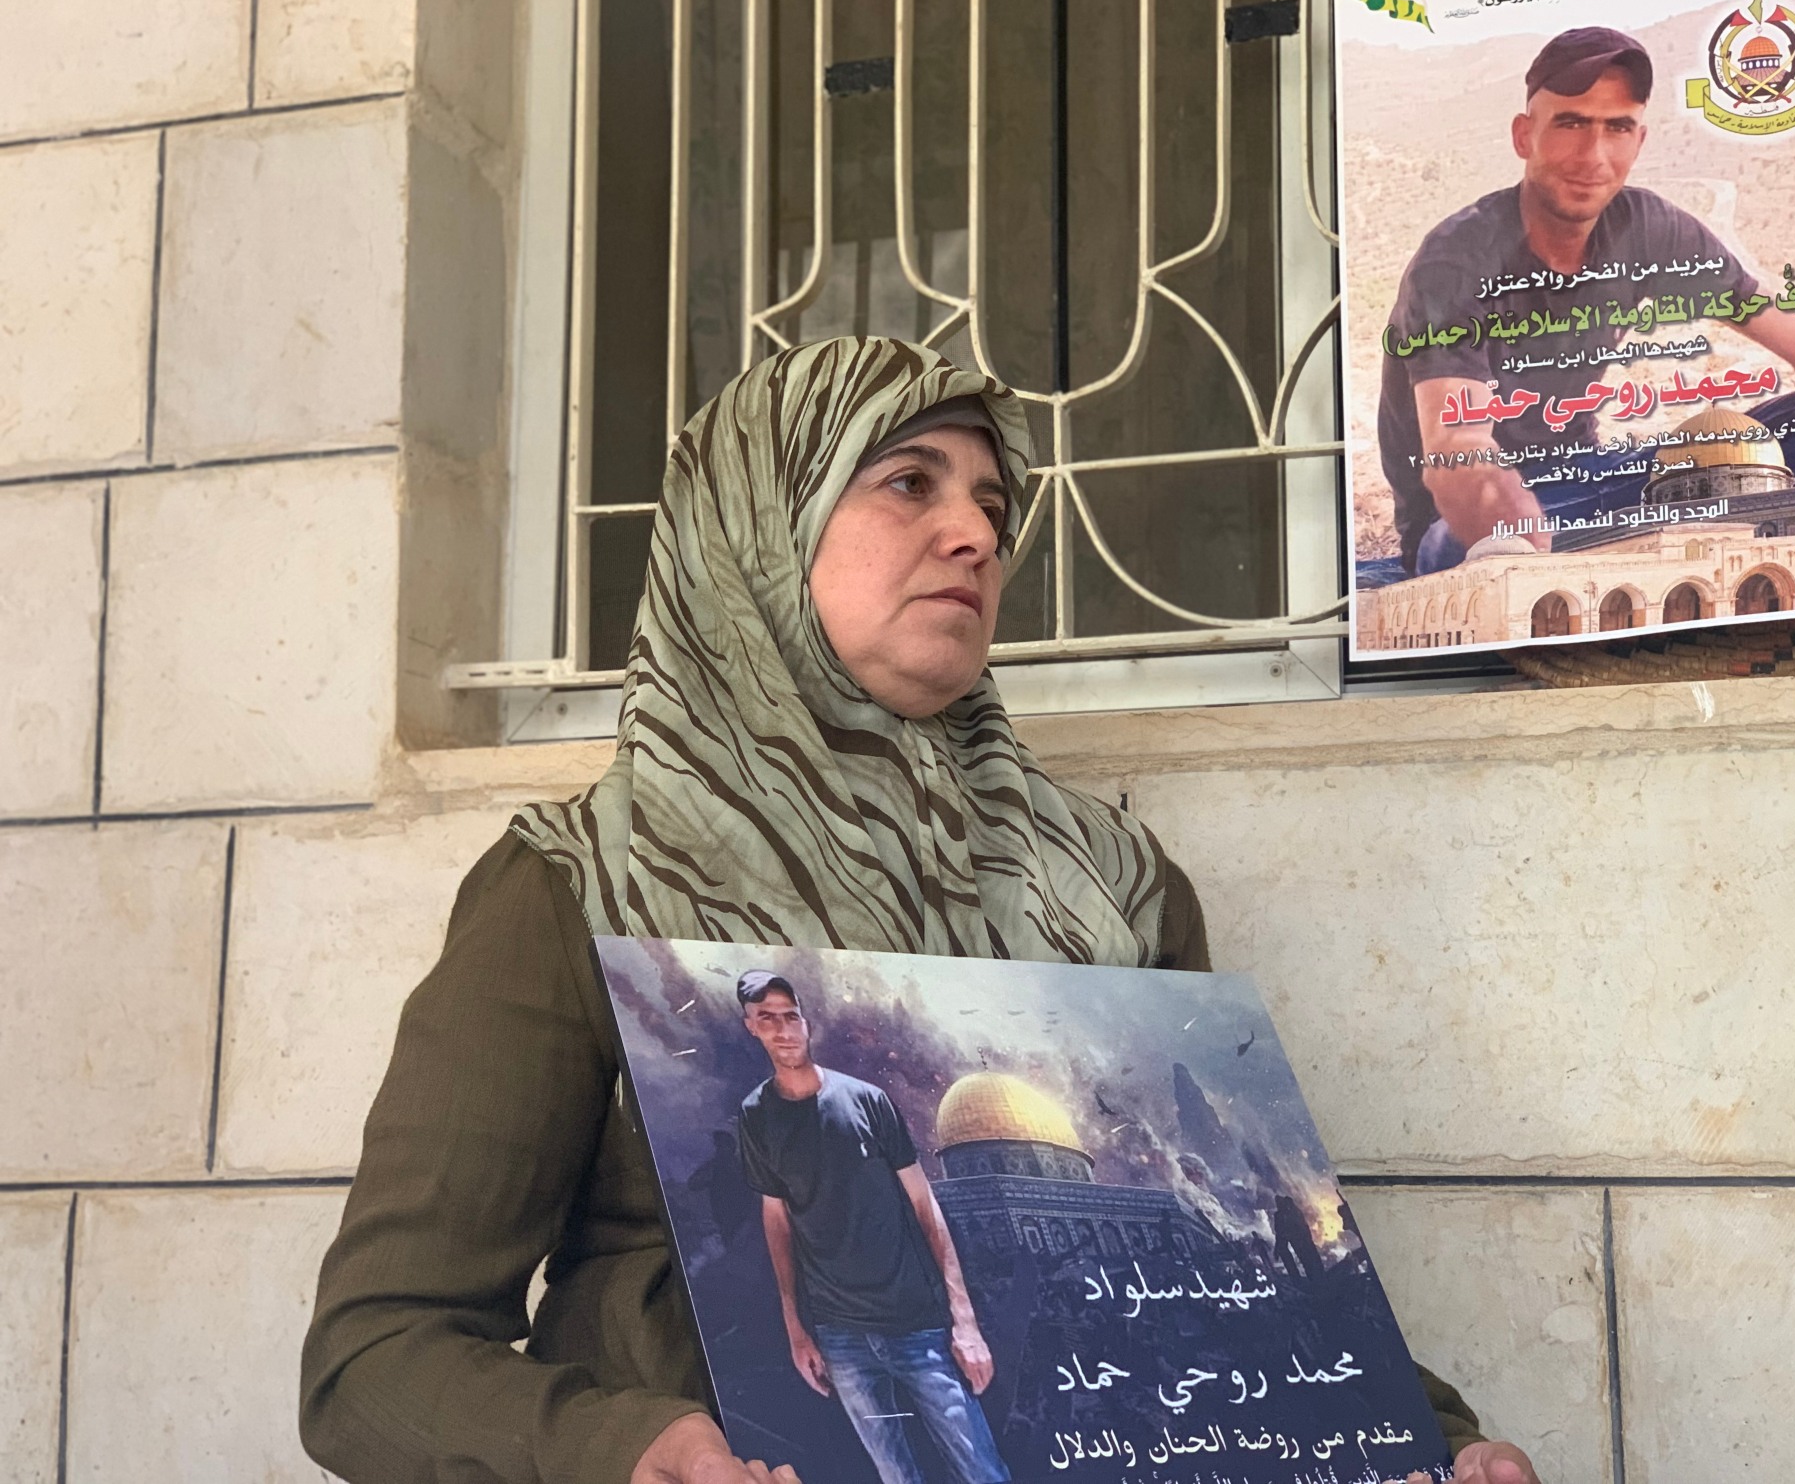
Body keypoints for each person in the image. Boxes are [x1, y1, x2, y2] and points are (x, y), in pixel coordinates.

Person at [298, 337, 1540, 1484]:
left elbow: (1237, 1271)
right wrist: (620, 1446)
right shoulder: (577, 886)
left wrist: (1432, 1442)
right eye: (907, 484)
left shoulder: (1114, 888)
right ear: (756, 522)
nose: (973, 536)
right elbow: (373, 1359)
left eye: (994, 508)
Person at [1378, 26, 1795, 578]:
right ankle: (1669, 530)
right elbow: (1458, 453)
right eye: (1569, 123)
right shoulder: (1455, 261)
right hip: (1471, 514)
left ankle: (1642, 532)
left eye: (1616, 127)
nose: (1593, 155)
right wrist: (1521, 543)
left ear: (1638, 141)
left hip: (1593, 478)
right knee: (1461, 546)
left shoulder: (1648, 229)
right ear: (1525, 136)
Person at [735, 971, 1003, 1484]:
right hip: (842, 1337)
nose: (783, 1029)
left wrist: (964, 1322)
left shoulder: (866, 1101)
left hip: (915, 1324)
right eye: (767, 1018)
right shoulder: (756, 1117)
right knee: (895, 1475)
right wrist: (796, 1329)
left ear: (805, 1021)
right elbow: (778, 1221)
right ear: (751, 1027)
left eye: (790, 1016)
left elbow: (925, 1207)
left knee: (980, 1469)